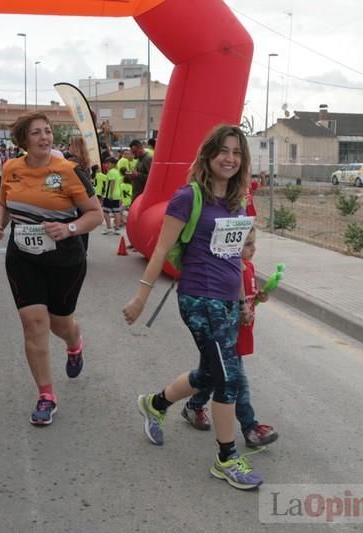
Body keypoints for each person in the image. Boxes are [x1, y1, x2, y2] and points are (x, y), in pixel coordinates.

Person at [123, 124, 263, 491]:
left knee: (210, 374)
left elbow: (235, 256)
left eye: (237, 153)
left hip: (228, 301)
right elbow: (158, 250)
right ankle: (226, 457)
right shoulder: (189, 197)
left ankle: (155, 403)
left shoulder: (235, 200)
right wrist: (141, 297)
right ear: (209, 154)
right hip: (199, 299)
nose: (230, 158)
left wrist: (243, 301)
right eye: (224, 151)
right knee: (228, 379)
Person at [0, 111, 102, 426]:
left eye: (48, 132)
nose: (44, 137)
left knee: (58, 323)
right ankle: (46, 395)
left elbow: (95, 214)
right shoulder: (11, 168)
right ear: (24, 140)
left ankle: (74, 342)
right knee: (33, 323)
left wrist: (70, 229)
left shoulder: (69, 170)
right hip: (23, 255)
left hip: (65, 257)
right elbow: (4, 204)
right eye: (36, 133)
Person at [181, 227, 278, 449]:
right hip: (225, 336)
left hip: (242, 334)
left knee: (211, 375)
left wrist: (259, 298)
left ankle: (194, 405)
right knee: (237, 382)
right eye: (248, 245)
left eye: (254, 244)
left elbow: (248, 300)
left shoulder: (249, 267)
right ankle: (250, 427)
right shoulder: (229, 272)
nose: (254, 249)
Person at [100, 157, 123, 235]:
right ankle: (117, 228)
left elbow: (112, 183)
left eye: (108, 163)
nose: (107, 165)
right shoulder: (117, 172)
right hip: (117, 194)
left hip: (110, 194)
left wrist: (110, 194)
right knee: (116, 211)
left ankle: (109, 227)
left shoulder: (111, 172)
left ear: (113, 164)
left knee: (105, 211)